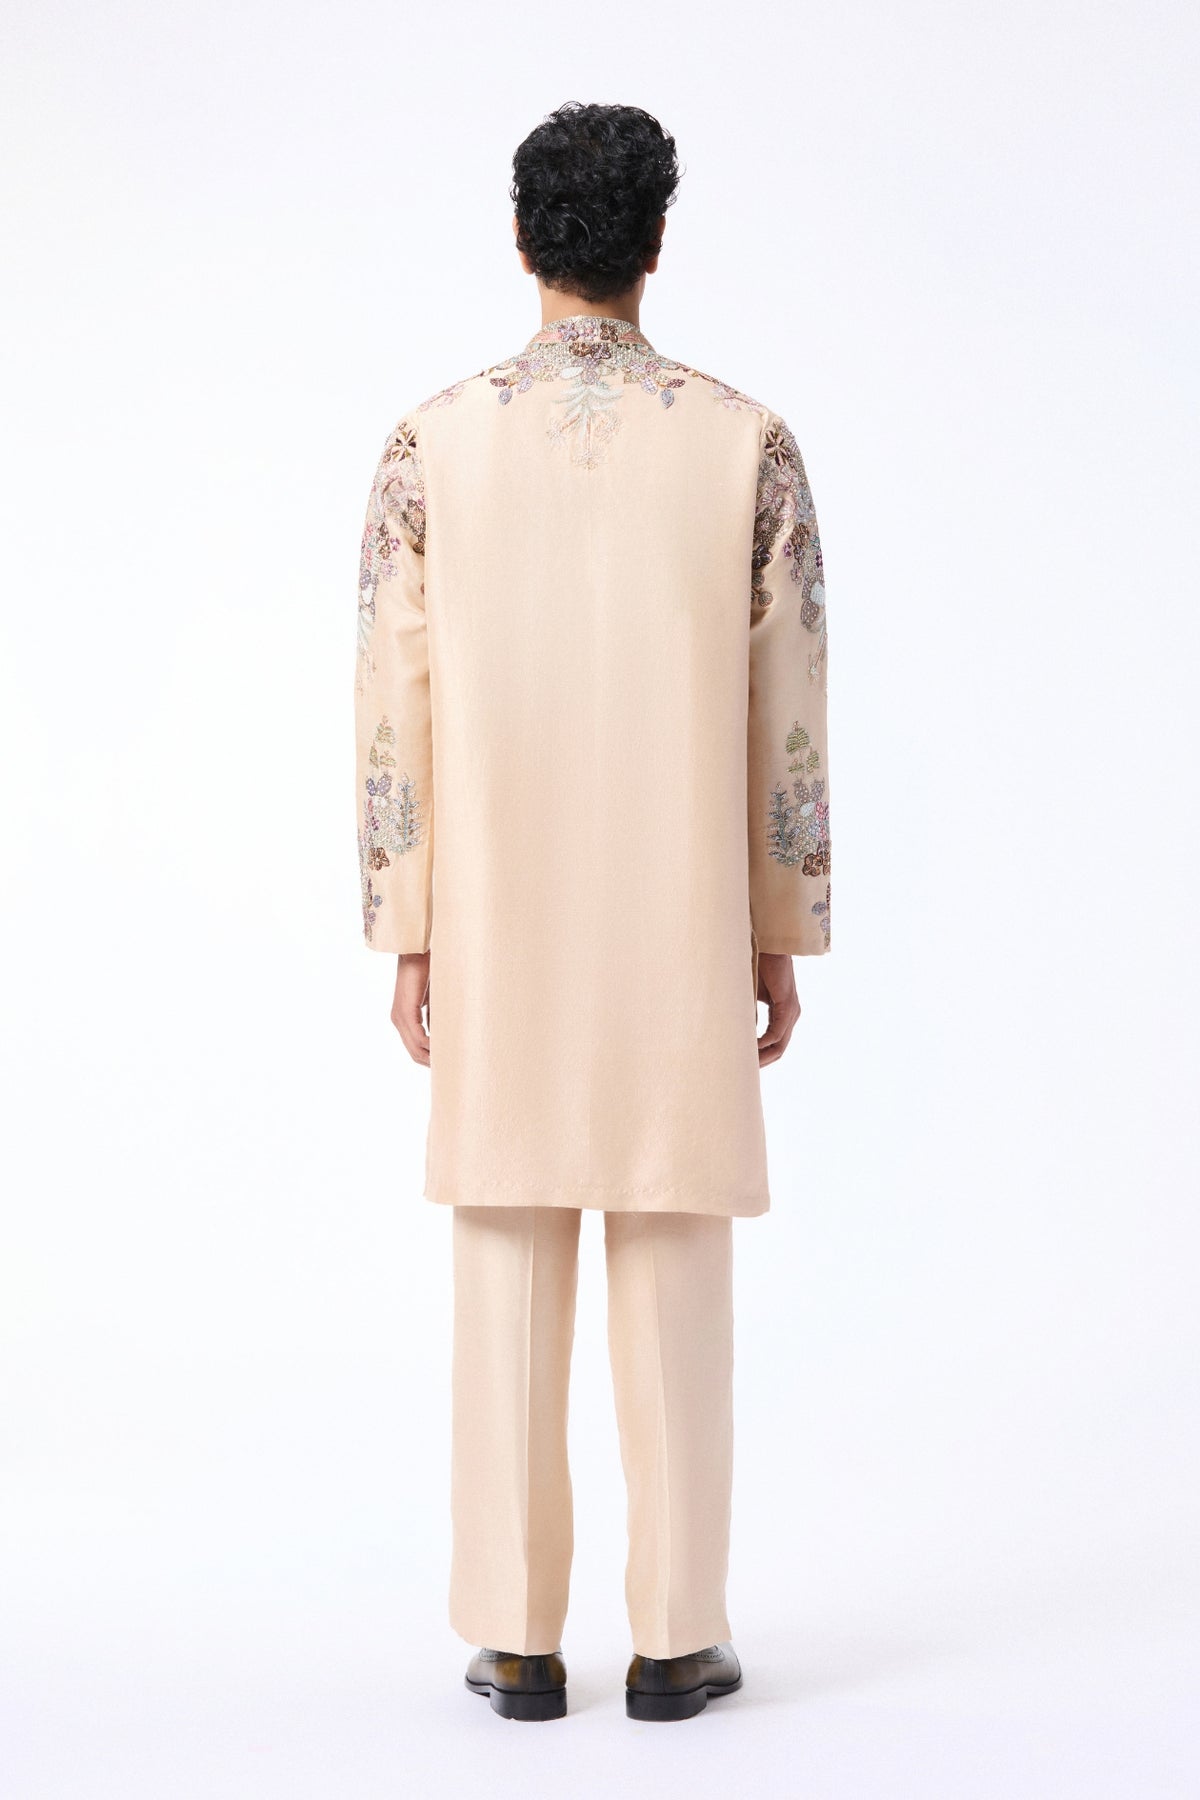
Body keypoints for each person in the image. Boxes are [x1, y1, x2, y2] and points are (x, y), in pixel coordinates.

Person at [353, 100, 831, 1724]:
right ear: (657, 242)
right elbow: (787, 704)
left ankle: (516, 1635)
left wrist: (409, 925)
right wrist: (778, 924)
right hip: (678, 910)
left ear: (521, 238)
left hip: (498, 910)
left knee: (505, 1252)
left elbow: (395, 701)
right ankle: (680, 1635)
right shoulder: (747, 443)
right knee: (674, 1246)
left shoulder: (431, 445)